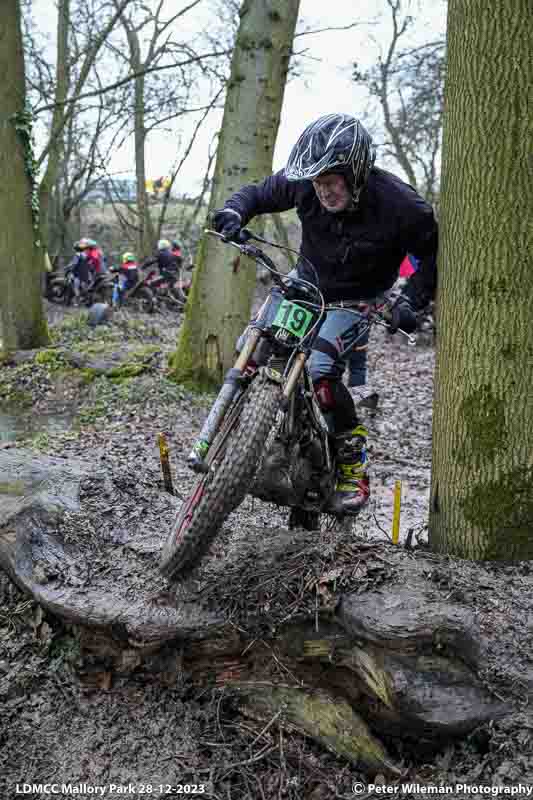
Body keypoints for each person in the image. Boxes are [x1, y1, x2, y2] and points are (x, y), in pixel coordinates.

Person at [211, 113, 438, 515]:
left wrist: (410, 303)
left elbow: (431, 257)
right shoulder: (304, 184)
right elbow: (259, 193)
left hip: (359, 299)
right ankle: (240, 437)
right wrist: (233, 212)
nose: (323, 192)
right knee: (254, 342)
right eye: (317, 183)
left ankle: (352, 462)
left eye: (331, 182)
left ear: (356, 174)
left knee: (320, 368)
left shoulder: (403, 206)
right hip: (307, 281)